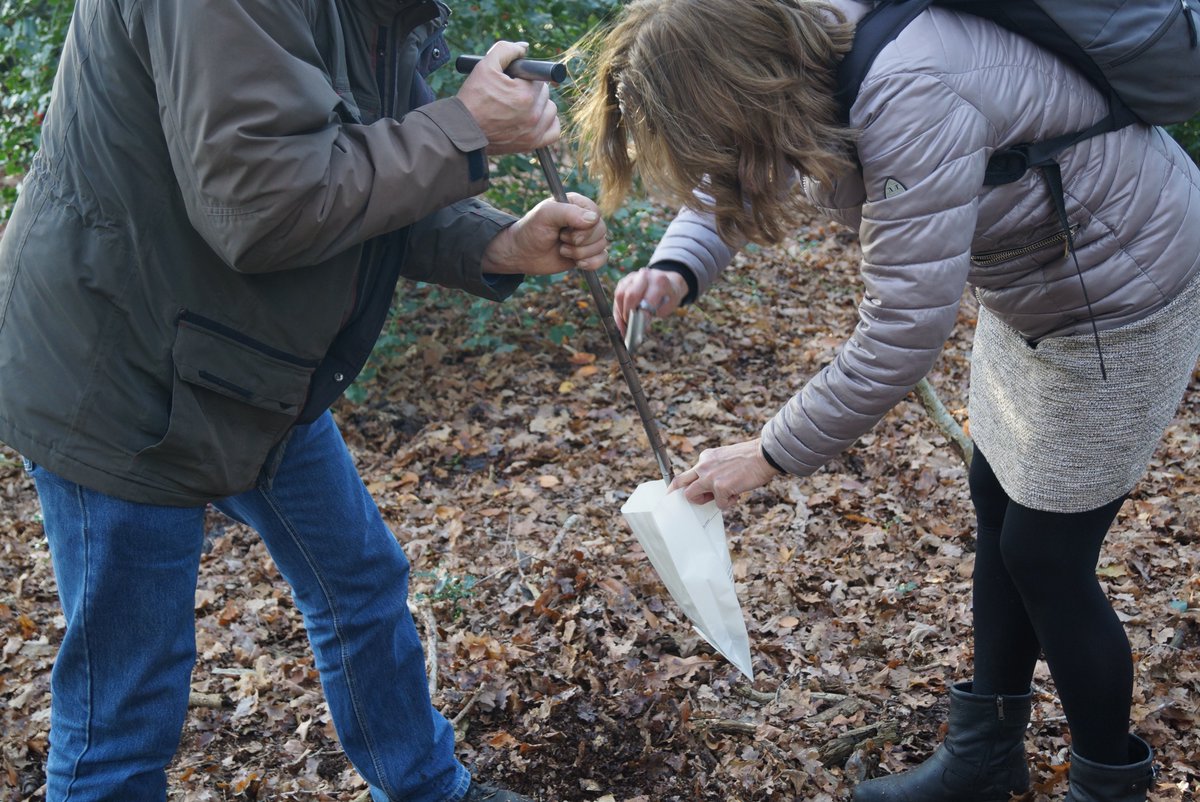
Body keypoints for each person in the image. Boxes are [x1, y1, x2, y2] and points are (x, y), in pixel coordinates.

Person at [573, 0, 1200, 800]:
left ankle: (1107, 783)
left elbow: (902, 333)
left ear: (737, 79)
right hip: (1034, 286)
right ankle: (985, 757)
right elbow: (742, 159)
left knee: (1047, 557)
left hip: (1127, 293)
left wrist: (766, 454)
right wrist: (678, 265)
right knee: (998, 506)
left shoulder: (911, 90)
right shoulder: (802, 57)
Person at [0, 0, 609, 799]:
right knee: (126, 704)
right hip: (119, 366)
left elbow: (365, 168)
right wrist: (463, 129)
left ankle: (427, 789)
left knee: (360, 583)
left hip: (247, 364)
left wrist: (494, 243)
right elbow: (263, 206)